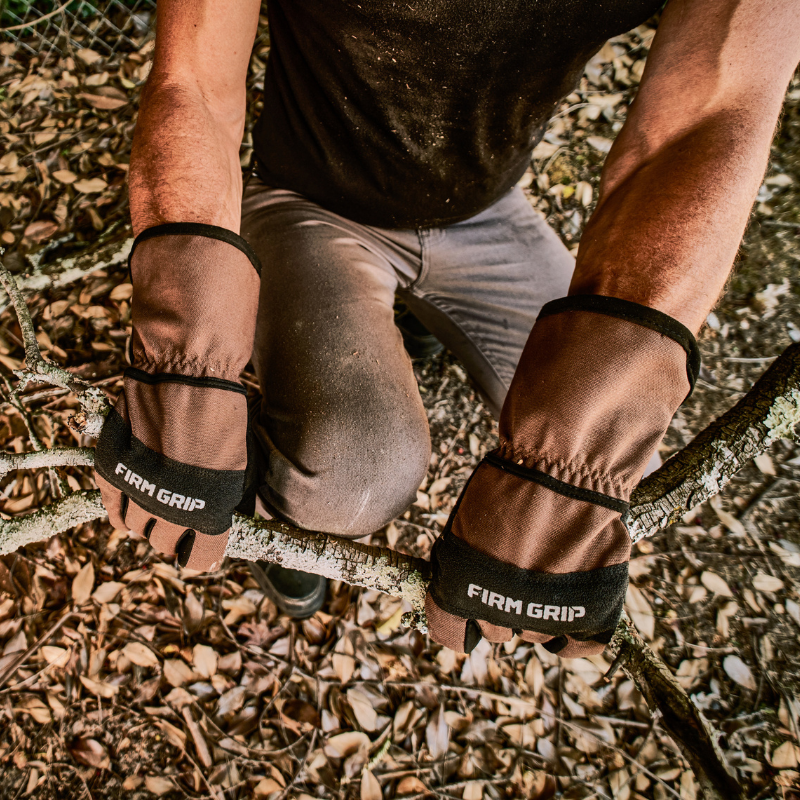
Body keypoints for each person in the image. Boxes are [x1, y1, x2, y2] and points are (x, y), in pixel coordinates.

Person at [93, 0, 800, 657]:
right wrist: (183, 358)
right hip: (309, 199)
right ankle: (275, 530)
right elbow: (195, 79)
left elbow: (710, 115)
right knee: (349, 479)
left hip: (487, 215)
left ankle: (411, 323)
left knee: (631, 467)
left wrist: (575, 458)